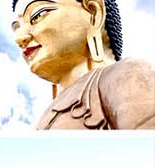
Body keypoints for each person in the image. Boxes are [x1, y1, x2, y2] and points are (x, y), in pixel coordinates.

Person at [12, 0, 154, 129]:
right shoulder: (43, 117)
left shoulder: (129, 74)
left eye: (37, 15)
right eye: (16, 27)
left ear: (94, 14)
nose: (19, 38)